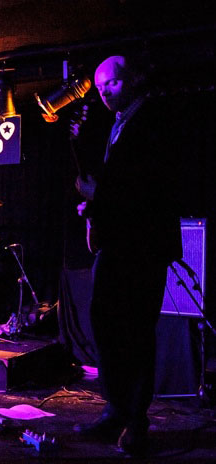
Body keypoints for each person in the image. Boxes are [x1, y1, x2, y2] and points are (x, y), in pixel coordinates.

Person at [73, 55, 181, 456]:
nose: (104, 93)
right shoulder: (118, 124)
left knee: (134, 331)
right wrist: (94, 207)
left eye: (112, 84)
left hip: (142, 244)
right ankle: (116, 409)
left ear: (132, 79)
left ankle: (136, 421)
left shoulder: (153, 119)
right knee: (106, 324)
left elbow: (147, 187)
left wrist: (97, 195)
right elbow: (119, 185)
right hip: (118, 241)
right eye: (100, 88)